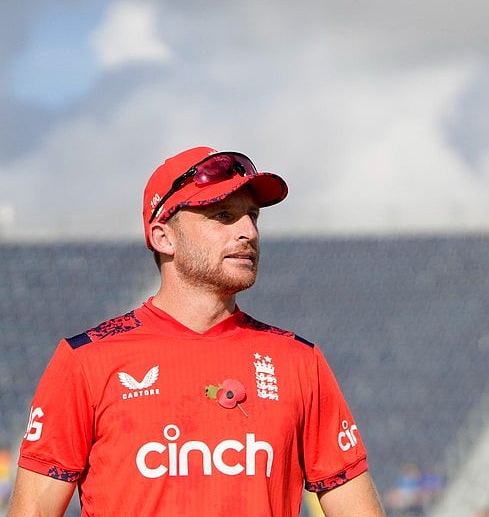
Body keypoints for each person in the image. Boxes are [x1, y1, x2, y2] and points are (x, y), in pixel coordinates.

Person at [9, 147, 386, 517]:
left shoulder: (300, 362)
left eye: (252, 217)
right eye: (223, 216)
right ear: (163, 237)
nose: (248, 232)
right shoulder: (87, 361)